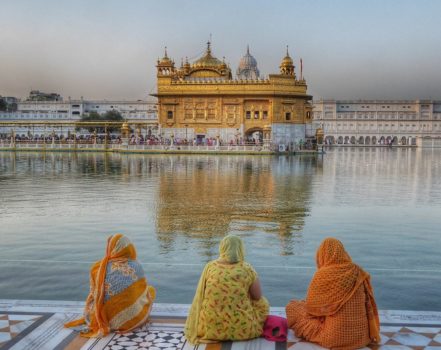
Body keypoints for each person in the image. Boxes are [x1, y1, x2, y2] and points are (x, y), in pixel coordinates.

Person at [285, 238, 380, 349]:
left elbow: (311, 309)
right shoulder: (358, 271)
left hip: (333, 338)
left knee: (292, 307)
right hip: (362, 337)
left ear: (321, 255)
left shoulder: (323, 275)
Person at [65, 234, 156, 337]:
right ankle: (130, 316)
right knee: (150, 291)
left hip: (104, 319)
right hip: (131, 320)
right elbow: (141, 292)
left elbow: (93, 295)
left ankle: (106, 316)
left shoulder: (97, 268)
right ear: (129, 248)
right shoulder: (136, 266)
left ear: (110, 248)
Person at [185, 235, 269, 344]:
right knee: (262, 303)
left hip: (208, 329)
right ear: (240, 249)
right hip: (244, 330)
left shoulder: (210, 267)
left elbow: (202, 294)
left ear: (222, 248)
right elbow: (257, 296)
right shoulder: (247, 268)